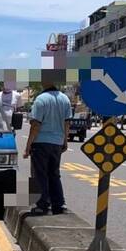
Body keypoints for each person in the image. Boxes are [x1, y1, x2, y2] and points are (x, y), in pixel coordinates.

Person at [23, 79, 72, 215]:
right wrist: (65, 141)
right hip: (57, 143)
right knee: (54, 174)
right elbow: (67, 123)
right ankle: (59, 204)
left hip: (41, 142)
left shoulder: (41, 99)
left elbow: (35, 125)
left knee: (40, 175)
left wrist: (28, 146)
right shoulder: (65, 99)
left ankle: (43, 204)